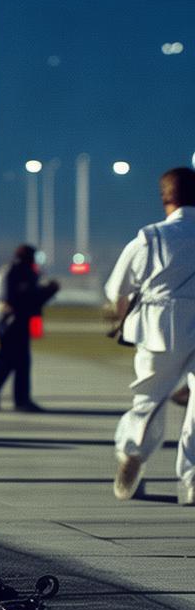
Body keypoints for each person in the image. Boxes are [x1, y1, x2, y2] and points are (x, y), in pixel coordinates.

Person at [105, 167, 195, 503]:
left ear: (165, 199)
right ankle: (192, 478)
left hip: (161, 327)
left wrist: (125, 320)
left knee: (149, 397)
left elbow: (117, 289)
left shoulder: (151, 237)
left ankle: (133, 452)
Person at [0, 244, 59, 412]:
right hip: (11, 323)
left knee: (20, 362)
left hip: (15, 322)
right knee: (9, 360)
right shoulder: (18, 272)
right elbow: (23, 299)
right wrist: (47, 291)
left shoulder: (12, 270)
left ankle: (20, 398)